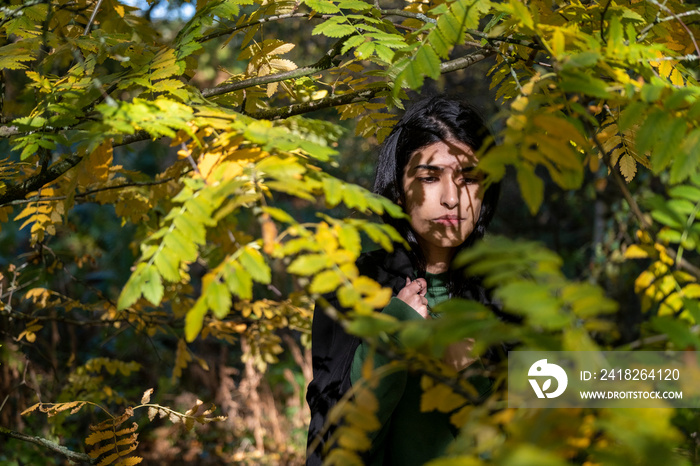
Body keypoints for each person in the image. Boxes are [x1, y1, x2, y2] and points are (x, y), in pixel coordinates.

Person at [305, 95, 500, 465]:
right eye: (430, 177)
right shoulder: (350, 291)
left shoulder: (514, 295)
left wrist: (471, 376)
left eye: (469, 178)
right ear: (398, 187)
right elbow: (331, 448)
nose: (452, 199)